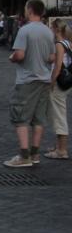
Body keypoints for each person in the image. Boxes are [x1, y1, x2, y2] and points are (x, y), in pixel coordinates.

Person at [3, 0, 55, 168]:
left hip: (27, 79)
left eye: (26, 9)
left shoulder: (24, 30)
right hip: (44, 79)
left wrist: (12, 58)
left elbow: (19, 55)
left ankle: (24, 155)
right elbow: (52, 57)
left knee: (21, 117)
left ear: (30, 10)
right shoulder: (48, 31)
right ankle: (35, 153)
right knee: (39, 118)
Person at [45, 18, 71, 160]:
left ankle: (62, 150)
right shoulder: (68, 43)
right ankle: (58, 146)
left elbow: (58, 66)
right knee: (58, 113)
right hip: (67, 84)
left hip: (59, 84)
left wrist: (52, 82)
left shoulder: (59, 45)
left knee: (59, 115)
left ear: (55, 29)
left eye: (51, 28)